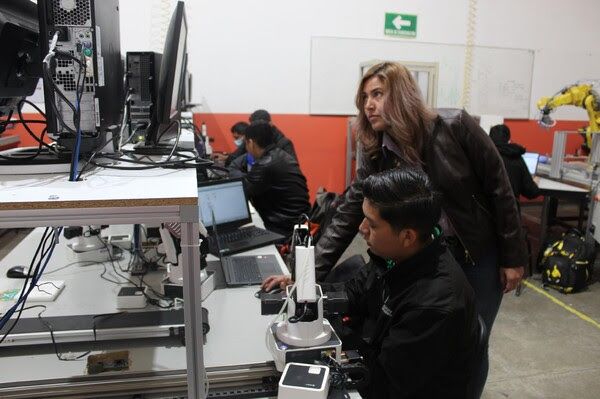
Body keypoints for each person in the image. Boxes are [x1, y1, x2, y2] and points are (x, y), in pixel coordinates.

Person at [311, 62, 526, 394]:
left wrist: (513, 256)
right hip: (421, 254)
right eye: (365, 96)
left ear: (402, 95)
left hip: (475, 252)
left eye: (378, 94)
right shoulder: (373, 148)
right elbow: (352, 208)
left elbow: (501, 188)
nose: (368, 104)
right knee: (420, 339)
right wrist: (308, 273)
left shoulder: (454, 126)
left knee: (471, 341)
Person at [263, 168, 479, 399]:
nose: (361, 228)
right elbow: (354, 291)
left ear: (407, 236)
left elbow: (384, 386)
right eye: (363, 216)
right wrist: (304, 290)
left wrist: (326, 353)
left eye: (373, 225)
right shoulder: (397, 257)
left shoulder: (434, 305)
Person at [228, 120, 310, 237]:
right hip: (296, 220)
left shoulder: (266, 163)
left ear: (250, 143)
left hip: (284, 228)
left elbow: (244, 186)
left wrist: (232, 169)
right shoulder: (280, 155)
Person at [489, 124, 541, 203]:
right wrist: (535, 183)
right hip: (510, 210)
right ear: (509, 140)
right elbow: (531, 192)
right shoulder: (516, 158)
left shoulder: (483, 156)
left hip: (484, 211)